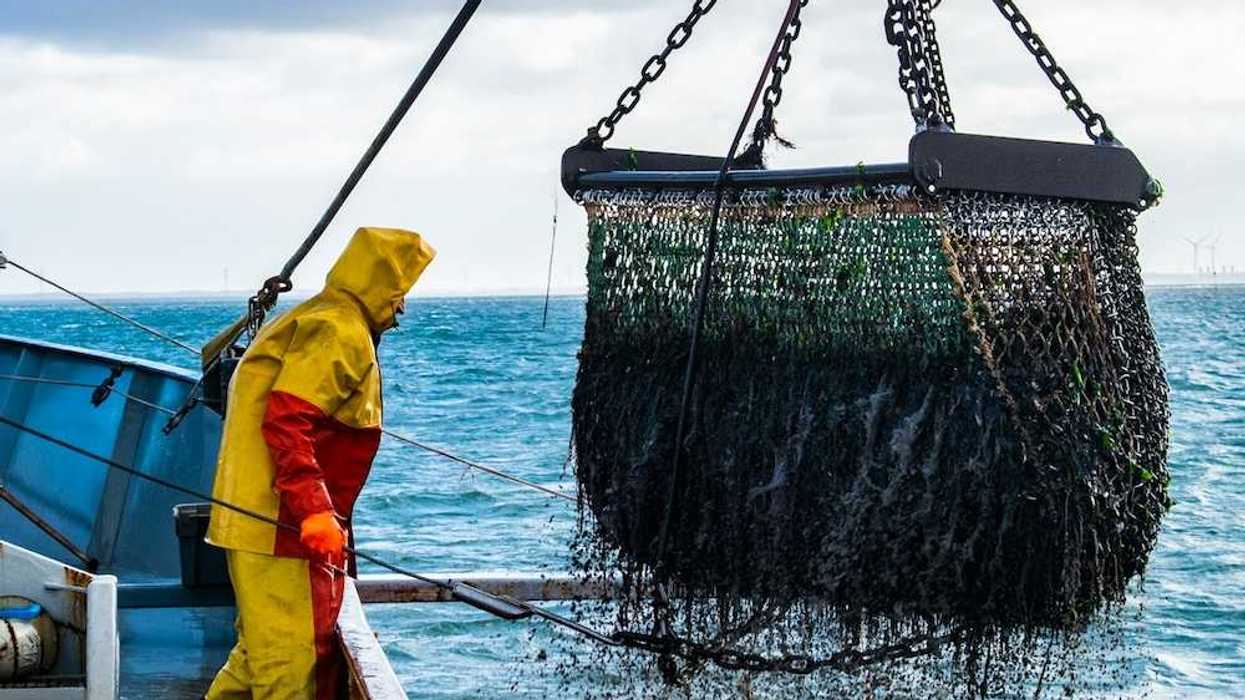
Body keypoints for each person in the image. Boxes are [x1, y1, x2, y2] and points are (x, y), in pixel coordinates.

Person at [204, 226, 435, 699]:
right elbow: (287, 420)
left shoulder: (316, 315)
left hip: (257, 523)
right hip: (279, 527)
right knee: (291, 669)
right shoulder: (340, 331)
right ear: (379, 284)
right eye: (399, 292)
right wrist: (312, 511)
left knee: (258, 657)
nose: (402, 307)